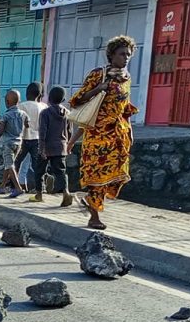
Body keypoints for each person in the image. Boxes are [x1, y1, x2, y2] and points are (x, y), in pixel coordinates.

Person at [70, 35, 138, 230]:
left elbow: (125, 107)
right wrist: (98, 88)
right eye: (122, 54)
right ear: (112, 55)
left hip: (118, 135)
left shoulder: (126, 78)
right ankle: (94, 216)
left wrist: (130, 130)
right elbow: (77, 100)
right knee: (96, 176)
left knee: (115, 175)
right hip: (97, 134)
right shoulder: (98, 74)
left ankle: (91, 203)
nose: (126, 57)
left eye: (128, 54)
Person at [32, 86, 74, 206]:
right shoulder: (67, 113)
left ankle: (39, 194)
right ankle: (66, 192)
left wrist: (41, 148)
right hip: (61, 146)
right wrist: (68, 145)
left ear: (49, 98)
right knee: (61, 171)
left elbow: (42, 132)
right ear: (63, 99)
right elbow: (70, 131)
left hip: (47, 146)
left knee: (39, 170)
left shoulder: (45, 113)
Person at [0, 89, 30, 196]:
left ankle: (18, 188)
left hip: (8, 143)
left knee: (10, 165)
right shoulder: (23, 114)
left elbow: (1, 130)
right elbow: (27, 125)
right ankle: (2, 186)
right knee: (8, 165)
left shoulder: (6, 115)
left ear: (7, 102)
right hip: (19, 143)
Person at [15, 82, 45, 195]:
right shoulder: (43, 106)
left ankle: (15, 186)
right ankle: (40, 188)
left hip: (24, 139)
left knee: (16, 162)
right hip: (37, 139)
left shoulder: (22, 106)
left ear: (27, 93)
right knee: (36, 165)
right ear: (39, 95)